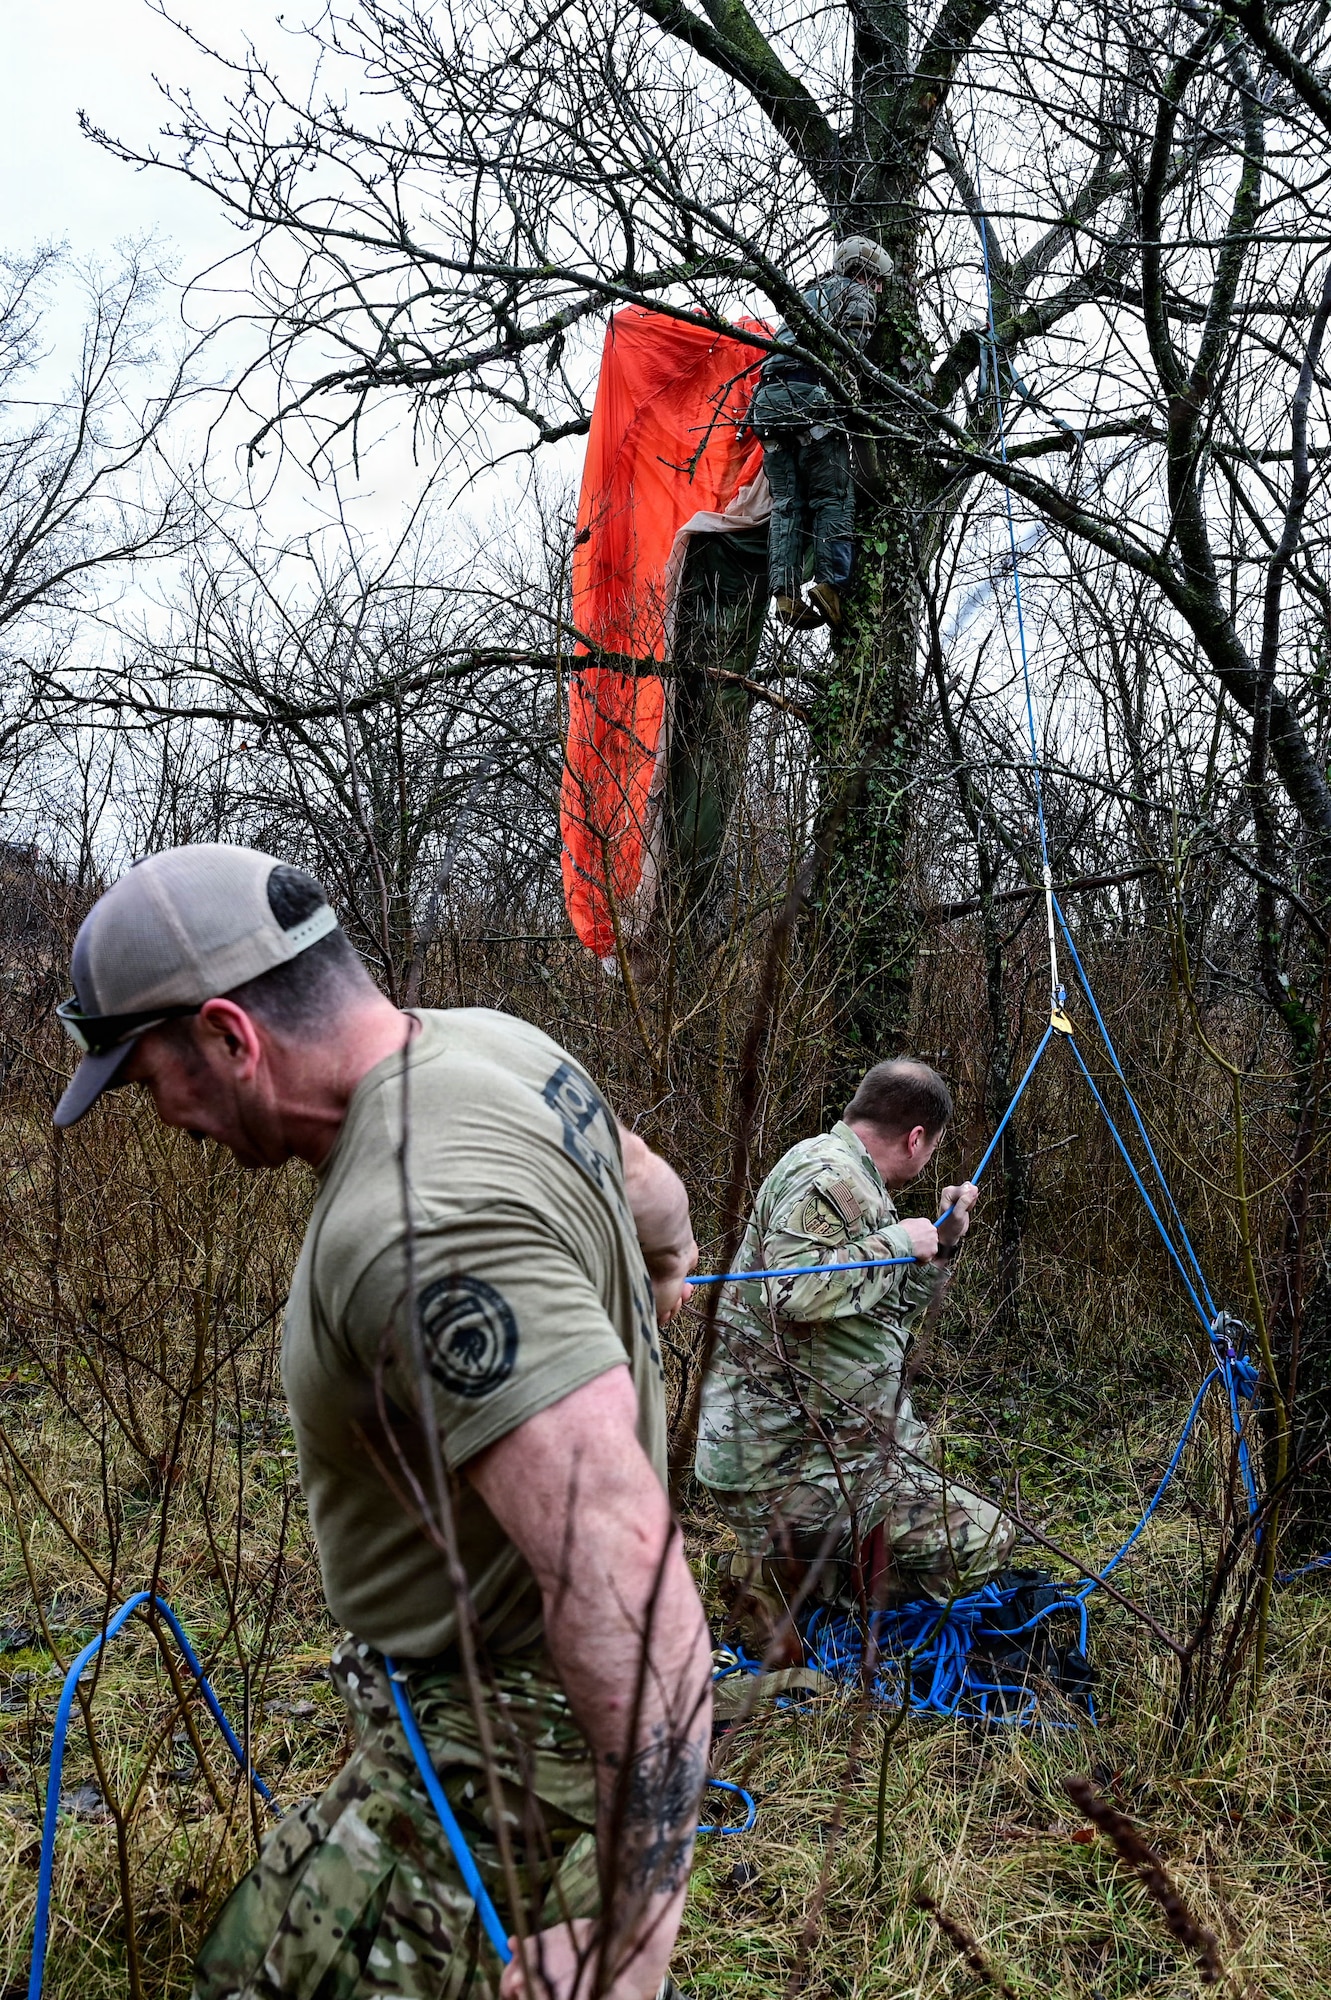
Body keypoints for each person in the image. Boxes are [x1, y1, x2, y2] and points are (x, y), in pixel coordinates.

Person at [53, 843, 712, 2000]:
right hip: (476, 1717)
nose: (156, 1113)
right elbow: (644, 1174)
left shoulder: (418, 1228)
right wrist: (666, 1254)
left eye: (145, 1074)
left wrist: (632, 1928)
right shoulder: (488, 1040)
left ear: (227, 1034)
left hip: (505, 1746)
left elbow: (626, 1569)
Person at [694, 1058, 1016, 1661]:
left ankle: (786, 1564)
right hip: (779, 1463)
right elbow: (794, 1291)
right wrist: (899, 1242)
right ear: (917, 1137)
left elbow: (880, 1311)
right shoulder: (828, 1175)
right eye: (933, 1145)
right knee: (982, 1541)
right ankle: (775, 1572)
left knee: (945, 1493)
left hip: (830, 1445)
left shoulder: (857, 1183)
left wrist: (941, 1246)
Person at [746, 236, 895, 631]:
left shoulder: (804, 297)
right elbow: (849, 355)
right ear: (865, 273)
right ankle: (830, 584)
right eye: (877, 280)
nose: (878, 289)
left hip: (766, 407)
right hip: (809, 399)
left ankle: (785, 594)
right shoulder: (856, 296)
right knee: (833, 495)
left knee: (786, 506)